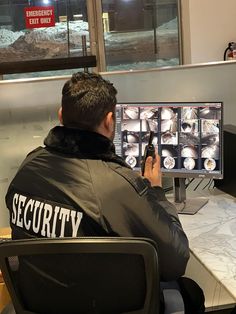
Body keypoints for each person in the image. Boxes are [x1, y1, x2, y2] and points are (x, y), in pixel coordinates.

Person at [5, 72, 204, 313]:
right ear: (110, 121)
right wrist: (155, 192)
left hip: (41, 306)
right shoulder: (117, 185)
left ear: (60, 115)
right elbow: (176, 260)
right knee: (191, 291)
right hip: (105, 306)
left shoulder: (28, 168)